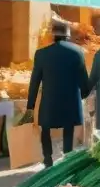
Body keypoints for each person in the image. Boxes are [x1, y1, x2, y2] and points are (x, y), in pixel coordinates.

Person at [27, 21, 90, 167]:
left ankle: (48, 158)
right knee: (68, 127)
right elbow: (83, 78)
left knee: (45, 127)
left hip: (50, 99)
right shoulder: (78, 52)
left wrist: (30, 104)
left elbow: (35, 80)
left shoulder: (41, 53)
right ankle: (67, 156)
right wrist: (85, 94)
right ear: (68, 36)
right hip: (71, 99)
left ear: (52, 36)